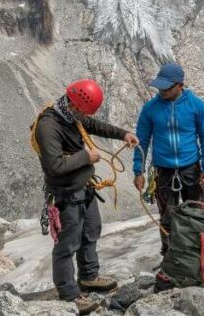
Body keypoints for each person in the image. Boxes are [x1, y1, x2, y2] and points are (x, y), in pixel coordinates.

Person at [31, 80, 138, 315]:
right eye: (84, 112)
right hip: (66, 193)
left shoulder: (72, 116)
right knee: (67, 244)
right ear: (75, 104)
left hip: (83, 188)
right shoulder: (48, 126)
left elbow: (93, 125)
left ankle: (89, 277)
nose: (85, 117)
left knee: (91, 230)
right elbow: (55, 166)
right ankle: (68, 292)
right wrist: (86, 157)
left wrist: (124, 134)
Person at [132, 63, 204, 261]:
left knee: (195, 214)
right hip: (163, 171)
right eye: (160, 87)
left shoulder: (196, 105)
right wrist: (138, 171)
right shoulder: (150, 109)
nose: (161, 91)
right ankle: (170, 260)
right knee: (167, 218)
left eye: (166, 88)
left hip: (191, 169)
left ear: (180, 85)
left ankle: (197, 259)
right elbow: (141, 141)